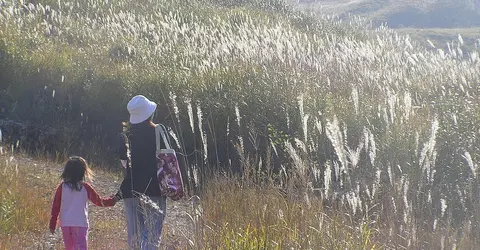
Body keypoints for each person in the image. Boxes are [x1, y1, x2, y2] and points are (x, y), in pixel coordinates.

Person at [114, 95, 167, 249]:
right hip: (155, 190)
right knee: (151, 238)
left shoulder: (124, 137)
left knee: (134, 238)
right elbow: (168, 159)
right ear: (149, 113)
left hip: (131, 190)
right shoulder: (159, 132)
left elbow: (125, 164)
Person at [49, 156, 116, 250]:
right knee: (81, 247)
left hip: (65, 223)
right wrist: (113, 200)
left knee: (70, 248)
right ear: (82, 172)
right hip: (80, 223)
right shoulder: (85, 188)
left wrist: (52, 223)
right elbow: (99, 201)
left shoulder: (62, 187)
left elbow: (55, 207)